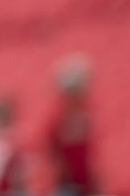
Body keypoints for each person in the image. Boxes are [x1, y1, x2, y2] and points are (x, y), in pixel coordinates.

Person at [46, 54, 97, 196]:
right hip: (66, 184)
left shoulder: (89, 117)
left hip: (86, 182)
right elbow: (51, 154)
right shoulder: (56, 121)